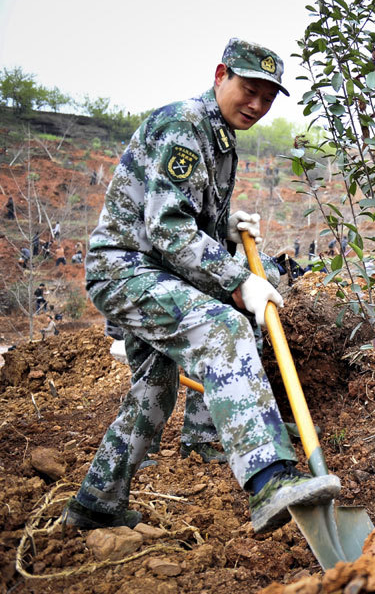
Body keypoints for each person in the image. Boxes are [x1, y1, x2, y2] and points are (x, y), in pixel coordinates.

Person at [60, 38, 340, 534]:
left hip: (155, 273)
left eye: (267, 99)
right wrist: (239, 280)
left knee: (154, 390)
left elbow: (182, 221)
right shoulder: (185, 124)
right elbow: (167, 230)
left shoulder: (220, 140)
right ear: (220, 75)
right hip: (128, 271)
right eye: (248, 90)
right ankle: (269, 480)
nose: (256, 105)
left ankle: (96, 503)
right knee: (224, 329)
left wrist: (223, 230)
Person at [105, 321, 225, 467]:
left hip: (184, 310)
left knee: (200, 363)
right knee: (152, 380)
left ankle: (196, 440)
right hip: (147, 314)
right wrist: (116, 332)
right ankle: (129, 452)